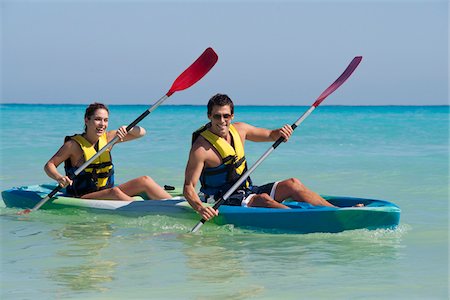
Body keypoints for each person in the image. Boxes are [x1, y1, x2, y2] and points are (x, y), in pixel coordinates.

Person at [183, 93, 340, 221]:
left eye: (226, 116)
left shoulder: (240, 129)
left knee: (293, 184)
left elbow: (270, 135)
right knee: (262, 199)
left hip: (246, 190)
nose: (222, 121)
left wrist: (281, 132)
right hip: (221, 198)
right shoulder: (201, 149)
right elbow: (188, 187)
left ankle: (337, 212)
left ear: (232, 116)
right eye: (217, 116)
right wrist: (200, 207)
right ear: (209, 116)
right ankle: (310, 220)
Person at [44, 102, 171, 201]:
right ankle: (150, 209)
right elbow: (49, 165)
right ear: (86, 120)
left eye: (105, 120)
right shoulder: (73, 145)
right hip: (83, 196)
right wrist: (59, 177)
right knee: (114, 192)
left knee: (145, 180)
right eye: (98, 119)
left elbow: (142, 133)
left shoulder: (109, 138)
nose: (102, 124)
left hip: (106, 190)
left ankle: (177, 204)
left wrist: (128, 129)